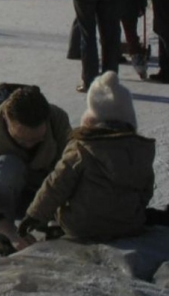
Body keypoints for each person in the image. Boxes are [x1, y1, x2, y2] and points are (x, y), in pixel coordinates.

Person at [19, 71, 154, 243]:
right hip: (129, 224)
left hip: (81, 227)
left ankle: (54, 228)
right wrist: (133, 213)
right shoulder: (140, 149)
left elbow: (56, 185)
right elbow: (146, 189)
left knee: (62, 198)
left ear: (91, 118)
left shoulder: (82, 147)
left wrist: (34, 215)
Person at [0, 84, 71, 255]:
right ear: (6, 118)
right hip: (1, 194)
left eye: (37, 139)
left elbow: (68, 174)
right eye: (22, 140)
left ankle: (50, 222)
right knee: (8, 168)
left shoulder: (57, 119)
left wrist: (57, 220)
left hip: (42, 195)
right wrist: (11, 232)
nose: (30, 144)